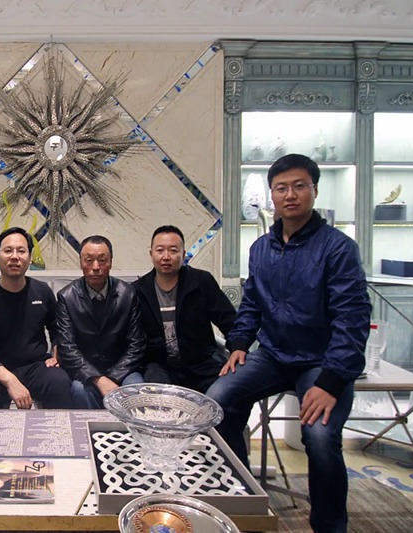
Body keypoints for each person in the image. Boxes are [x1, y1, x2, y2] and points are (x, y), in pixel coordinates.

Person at [207, 154, 371, 533]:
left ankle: (329, 525)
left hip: (321, 362)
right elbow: (251, 304)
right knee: (218, 401)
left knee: (320, 436)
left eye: (299, 186)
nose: (290, 195)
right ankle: (244, 495)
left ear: (314, 190)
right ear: (272, 195)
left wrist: (331, 381)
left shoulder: (338, 248)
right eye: (281, 188)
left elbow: (352, 319)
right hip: (273, 356)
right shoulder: (261, 249)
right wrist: (239, 343)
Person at [0, 227, 73, 409]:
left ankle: (58, 429)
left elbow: (57, 328)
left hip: (35, 366)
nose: (14, 257)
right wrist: (11, 381)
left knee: (59, 381)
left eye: (21, 251)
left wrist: (57, 351)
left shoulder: (42, 291)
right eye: (8, 251)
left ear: (29, 257)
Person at [133, 225, 236, 394]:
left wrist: (237, 348)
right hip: (160, 367)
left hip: (202, 365)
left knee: (227, 395)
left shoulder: (201, 282)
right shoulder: (138, 291)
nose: (166, 256)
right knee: (158, 397)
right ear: (151, 254)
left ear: (183, 254)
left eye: (173, 250)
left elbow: (229, 320)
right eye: (160, 250)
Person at [56, 235, 146, 408]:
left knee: (135, 388)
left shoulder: (128, 294)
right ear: (80, 262)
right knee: (80, 390)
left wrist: (112, 377)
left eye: (102, 260)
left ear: (110, 262)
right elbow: (67, 347)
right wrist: (97, 378)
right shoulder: (66, 297)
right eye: (89, 260)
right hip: (84, 371)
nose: (95, 267)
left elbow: (137, 345)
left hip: (123, 369)